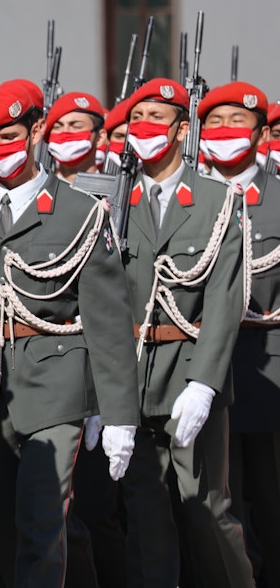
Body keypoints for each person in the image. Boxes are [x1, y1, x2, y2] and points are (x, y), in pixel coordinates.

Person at [0, 82, 139, 587]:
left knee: (42, 532)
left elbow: (107, 319)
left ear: (37, 130)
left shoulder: (81, 212)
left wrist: (119, 413)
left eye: (9, 135)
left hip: (55, 388)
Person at [118, 78, 254, 587]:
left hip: (191, 375)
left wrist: (204, 383)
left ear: (180, 129)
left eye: (156, 118)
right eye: (136, 119)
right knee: (146, 516)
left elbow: (223, 299)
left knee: (205, 509)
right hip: (132, 379)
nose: (144, 129)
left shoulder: (218, 200)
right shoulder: (117, 202)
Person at [196, 81, 279, 586]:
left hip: (269, 362)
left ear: (261, 131)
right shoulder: (192, 197)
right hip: (206, 368)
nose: (225, 133)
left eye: (237, 122)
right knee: (219, 504)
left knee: (270, 501)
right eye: (216, 123)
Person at [42, 91, 106, 184]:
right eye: (57, 127)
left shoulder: (114, 194)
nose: (65, 131)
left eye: (76, 126)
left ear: (99, 138)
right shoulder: (39, 192)